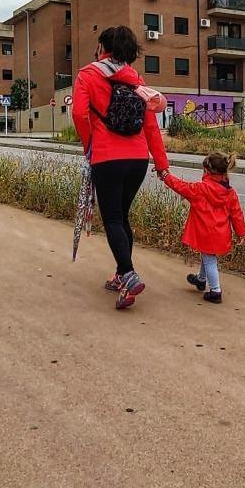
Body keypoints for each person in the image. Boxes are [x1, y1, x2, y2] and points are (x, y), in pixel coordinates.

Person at [72, 25, 170, 310]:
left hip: (107, 157)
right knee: (122, 217)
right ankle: (120, 273)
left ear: (103, 48)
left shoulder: (87, 74)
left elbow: (79, 114)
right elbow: (151, 125)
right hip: (138, 160)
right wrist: (161, 165)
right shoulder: (137, 81)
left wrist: (89, 144)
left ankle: (128, 275)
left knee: (113, 218)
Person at [158, 153, 245, 304]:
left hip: (205, 232)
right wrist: (241, 233)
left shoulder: (201, 189)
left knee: (209, 260)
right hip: (221, 233)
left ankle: (215, 291)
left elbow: (180, 186)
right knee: (208, 256)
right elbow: (236, 214)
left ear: (206, 171)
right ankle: (201, 279)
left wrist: (166, 176)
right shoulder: (230, 193)